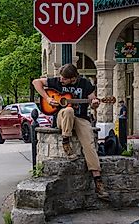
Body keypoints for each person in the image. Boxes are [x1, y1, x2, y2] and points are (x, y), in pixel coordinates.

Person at [32, 63, 110, 200]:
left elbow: (92, 99)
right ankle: (66, 141)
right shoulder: (56, 81)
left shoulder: (85, 84)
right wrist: (47, 98)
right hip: (63, 118)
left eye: (64, 79)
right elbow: (36, 82)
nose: (61, 80)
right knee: (69, 110)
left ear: (73, 78)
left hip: (81, 118)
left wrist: (95, 103)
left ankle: (98, 181)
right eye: (61, 78)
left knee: (89, 144)